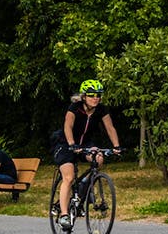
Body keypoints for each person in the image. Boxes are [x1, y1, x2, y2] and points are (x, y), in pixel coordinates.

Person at [52, 79, 122, 215]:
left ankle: (84, 185)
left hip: (86, 143)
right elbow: (68, 126)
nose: (95, 98)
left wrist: (116, 146)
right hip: (66, 143)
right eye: (92, 95)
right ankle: (64, 214)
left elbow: (110, 127)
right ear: (84, 96)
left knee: (99, 159)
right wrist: (72, 144)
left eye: (98, 95)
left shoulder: (101, 110)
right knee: (69, 177)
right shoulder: (75, 107)